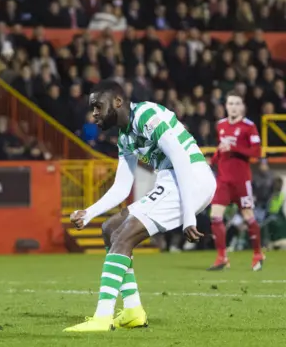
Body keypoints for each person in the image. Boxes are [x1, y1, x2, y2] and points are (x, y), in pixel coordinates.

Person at [65, 80, 216, 332]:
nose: (94, 114)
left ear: (118, 102)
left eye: (98, 107)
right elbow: (122, 187)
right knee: (110, 229)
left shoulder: (147, 115)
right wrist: (88, 213)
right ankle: (134, 311)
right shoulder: (125, 137)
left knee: (124, 235)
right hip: (172, 181)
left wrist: (189, 216)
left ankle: (103, 317)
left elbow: (180, 160)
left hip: (191, 177)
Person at [208, 92, 264, 271]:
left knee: (249, 217)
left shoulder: (249, 127)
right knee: (215, 216)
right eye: (230, 103)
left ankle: (257, 254)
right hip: (223, 180)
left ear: (242, 107)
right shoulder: (220, 125)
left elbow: (256, 152)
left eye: (237, 103)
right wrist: (214, 159)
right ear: (226, 106)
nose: (233, 106)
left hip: (241, 181)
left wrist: (234, 147)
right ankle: (222, 258)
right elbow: (221, 148)